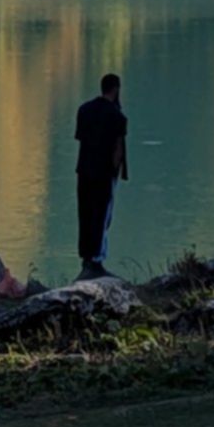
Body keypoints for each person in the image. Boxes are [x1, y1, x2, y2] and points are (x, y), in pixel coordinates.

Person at [74, 71, 128, 277]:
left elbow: (81, 139)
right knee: (103, 216)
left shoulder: (84, 110)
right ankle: (97, 261)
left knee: (85, 213)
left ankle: (86, 259)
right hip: (104, 174)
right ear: (115, 89)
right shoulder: (118, 116)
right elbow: (117, 150)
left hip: (84, 170)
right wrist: (115, 173)